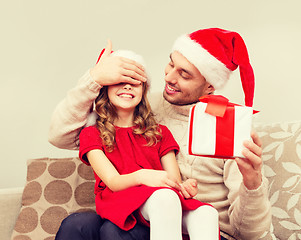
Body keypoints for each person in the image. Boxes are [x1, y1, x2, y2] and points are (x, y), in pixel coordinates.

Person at [50, 28, 272, 240]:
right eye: (171, 64)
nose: (169, 77)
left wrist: (252, 183)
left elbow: (252, 233)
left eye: (184, 74)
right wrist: (95, 78)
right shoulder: (142, 107)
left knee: (116, 231)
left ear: (209, 87)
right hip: (140, 208)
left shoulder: (228, 127)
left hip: (191, 217)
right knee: (77, 225)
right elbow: (59, 135)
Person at [77, 49, 220, 240]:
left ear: (143, 90)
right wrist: (143, 176)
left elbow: (173, 180)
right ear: (106, 89)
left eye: (135, 82)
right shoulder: (92, 133)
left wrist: (184, 187)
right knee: (165, 198)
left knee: (207, 213)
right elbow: (113, 182)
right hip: (122, 200)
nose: (127, 87)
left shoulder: (159, 132)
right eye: (120, 82)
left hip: (161, 200)